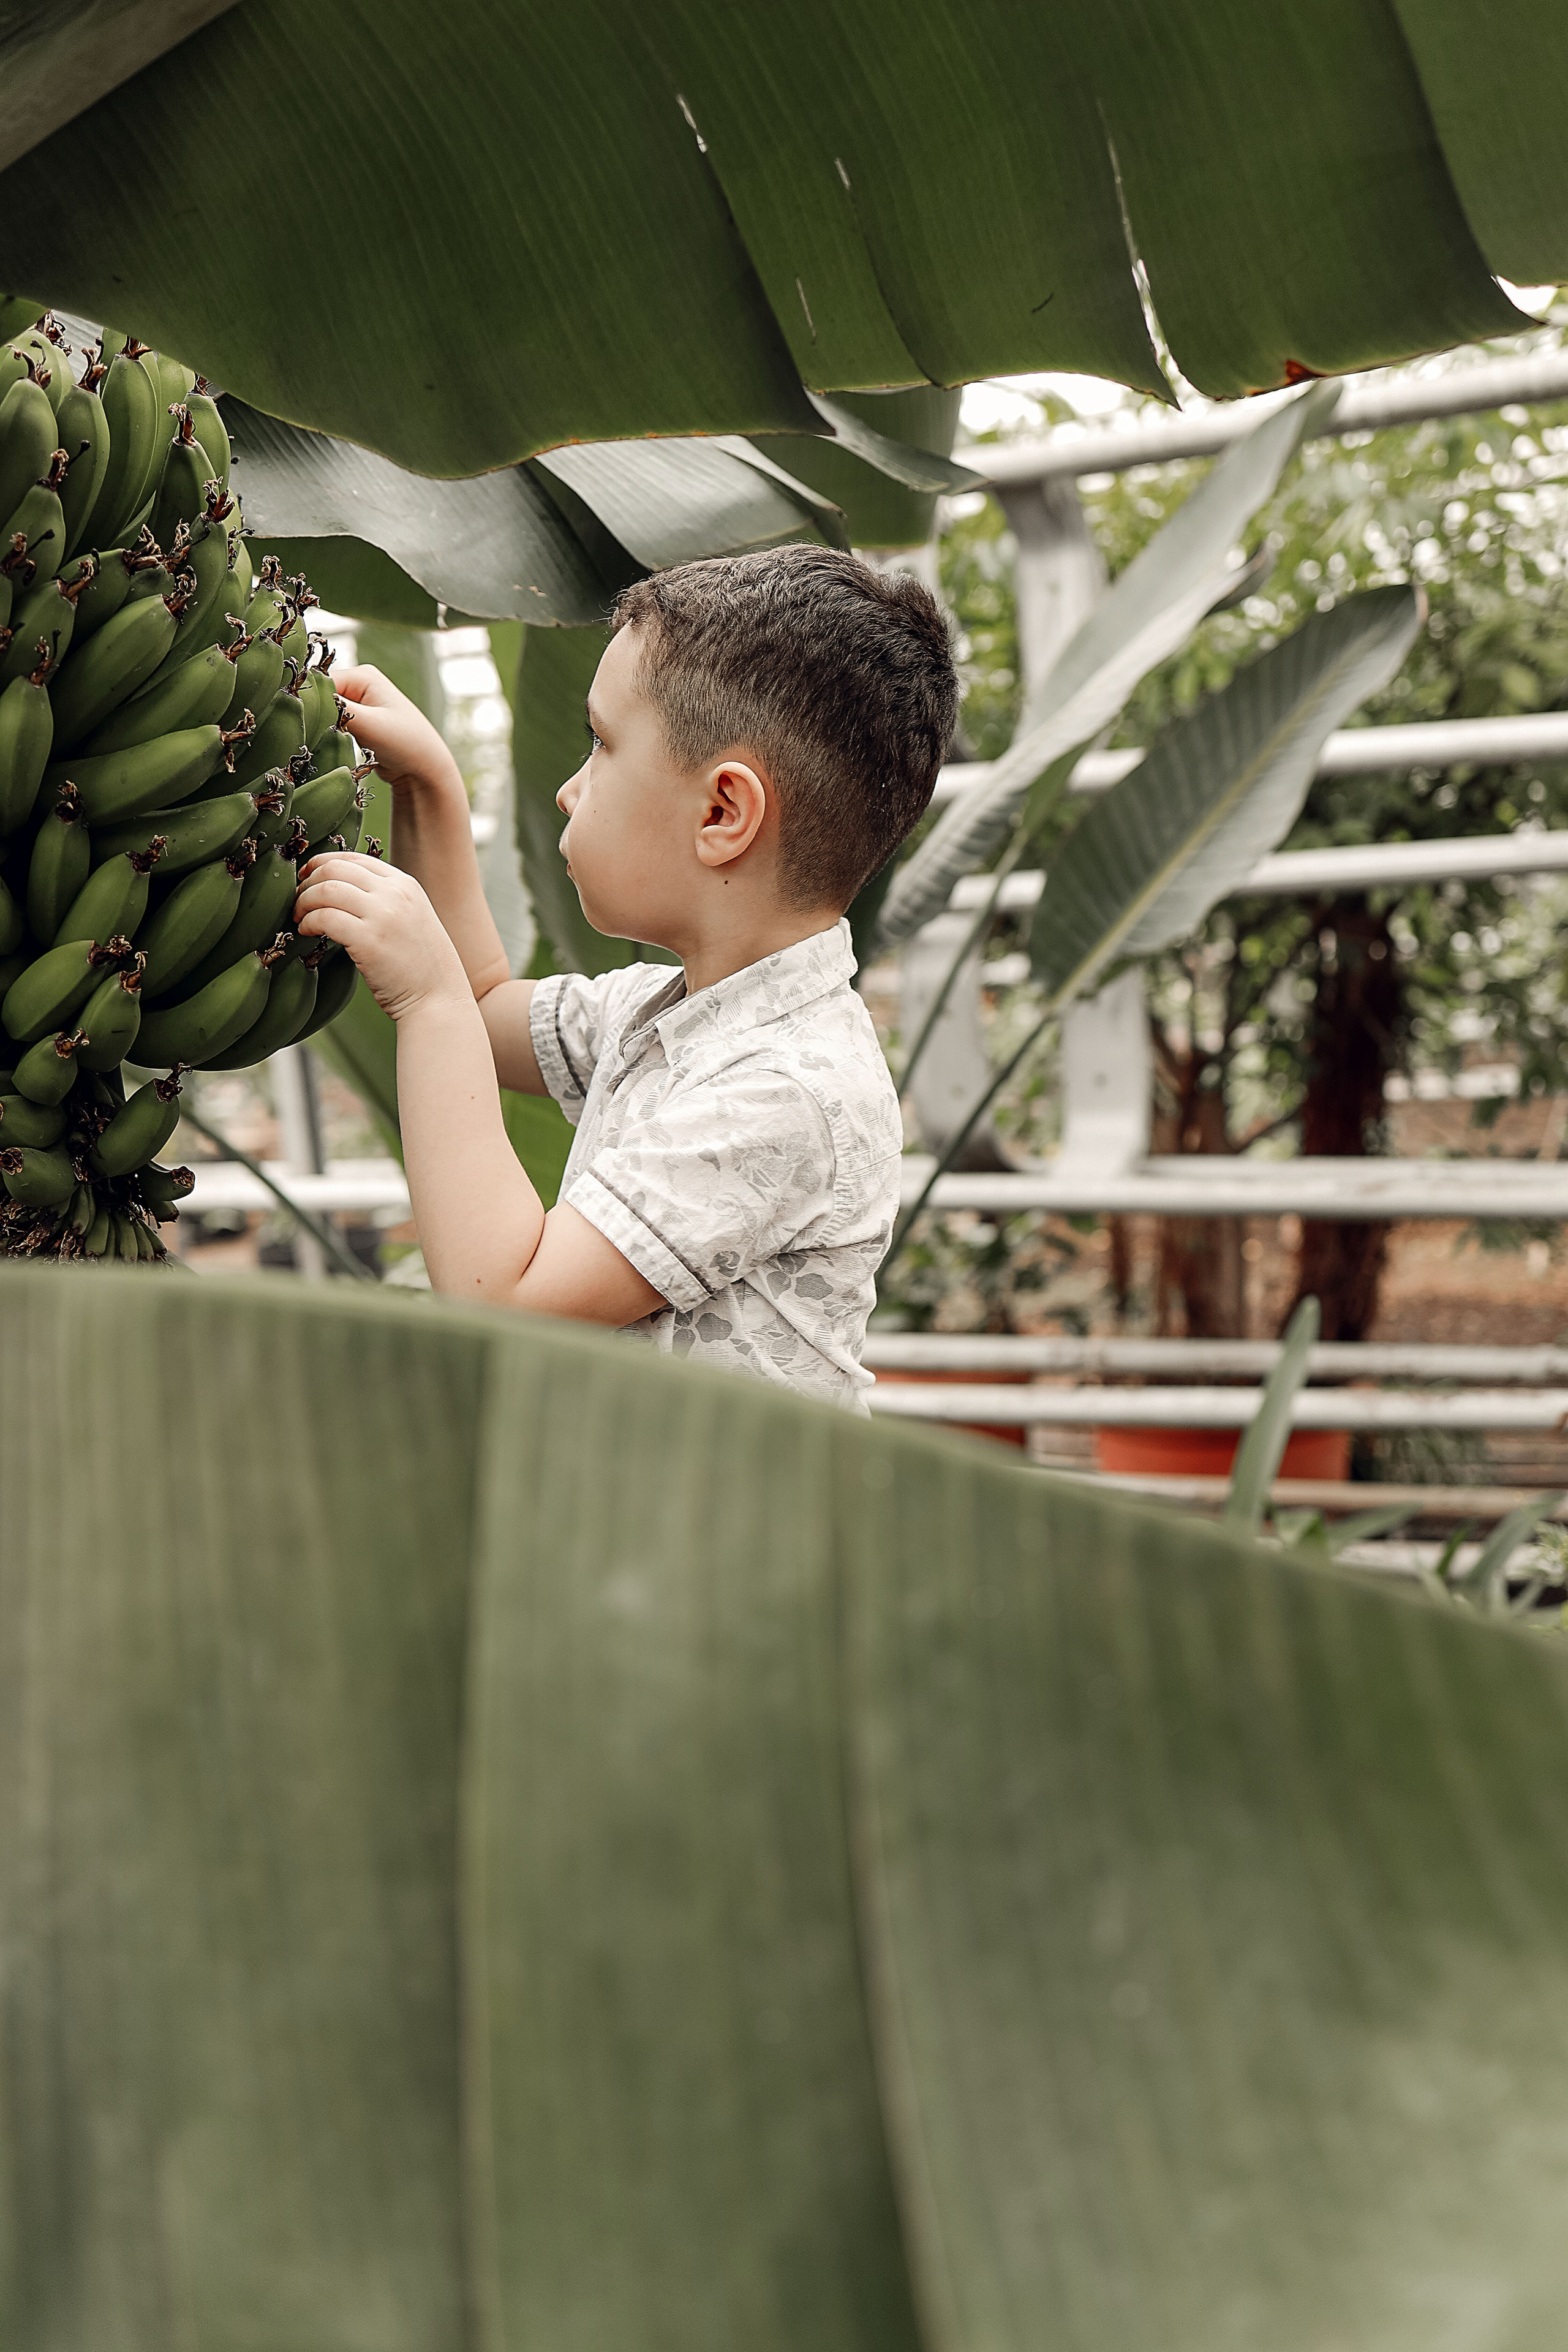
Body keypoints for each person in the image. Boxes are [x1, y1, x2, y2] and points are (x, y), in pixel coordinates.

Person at [293, 544, 957, 1409]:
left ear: (724, 813)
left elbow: (507, 1292)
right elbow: (490, 1005)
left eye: (601, 745)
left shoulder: (789, 1091)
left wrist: (427, 1000)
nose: (570, 790)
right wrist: (430, 789)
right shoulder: (667, 1007)